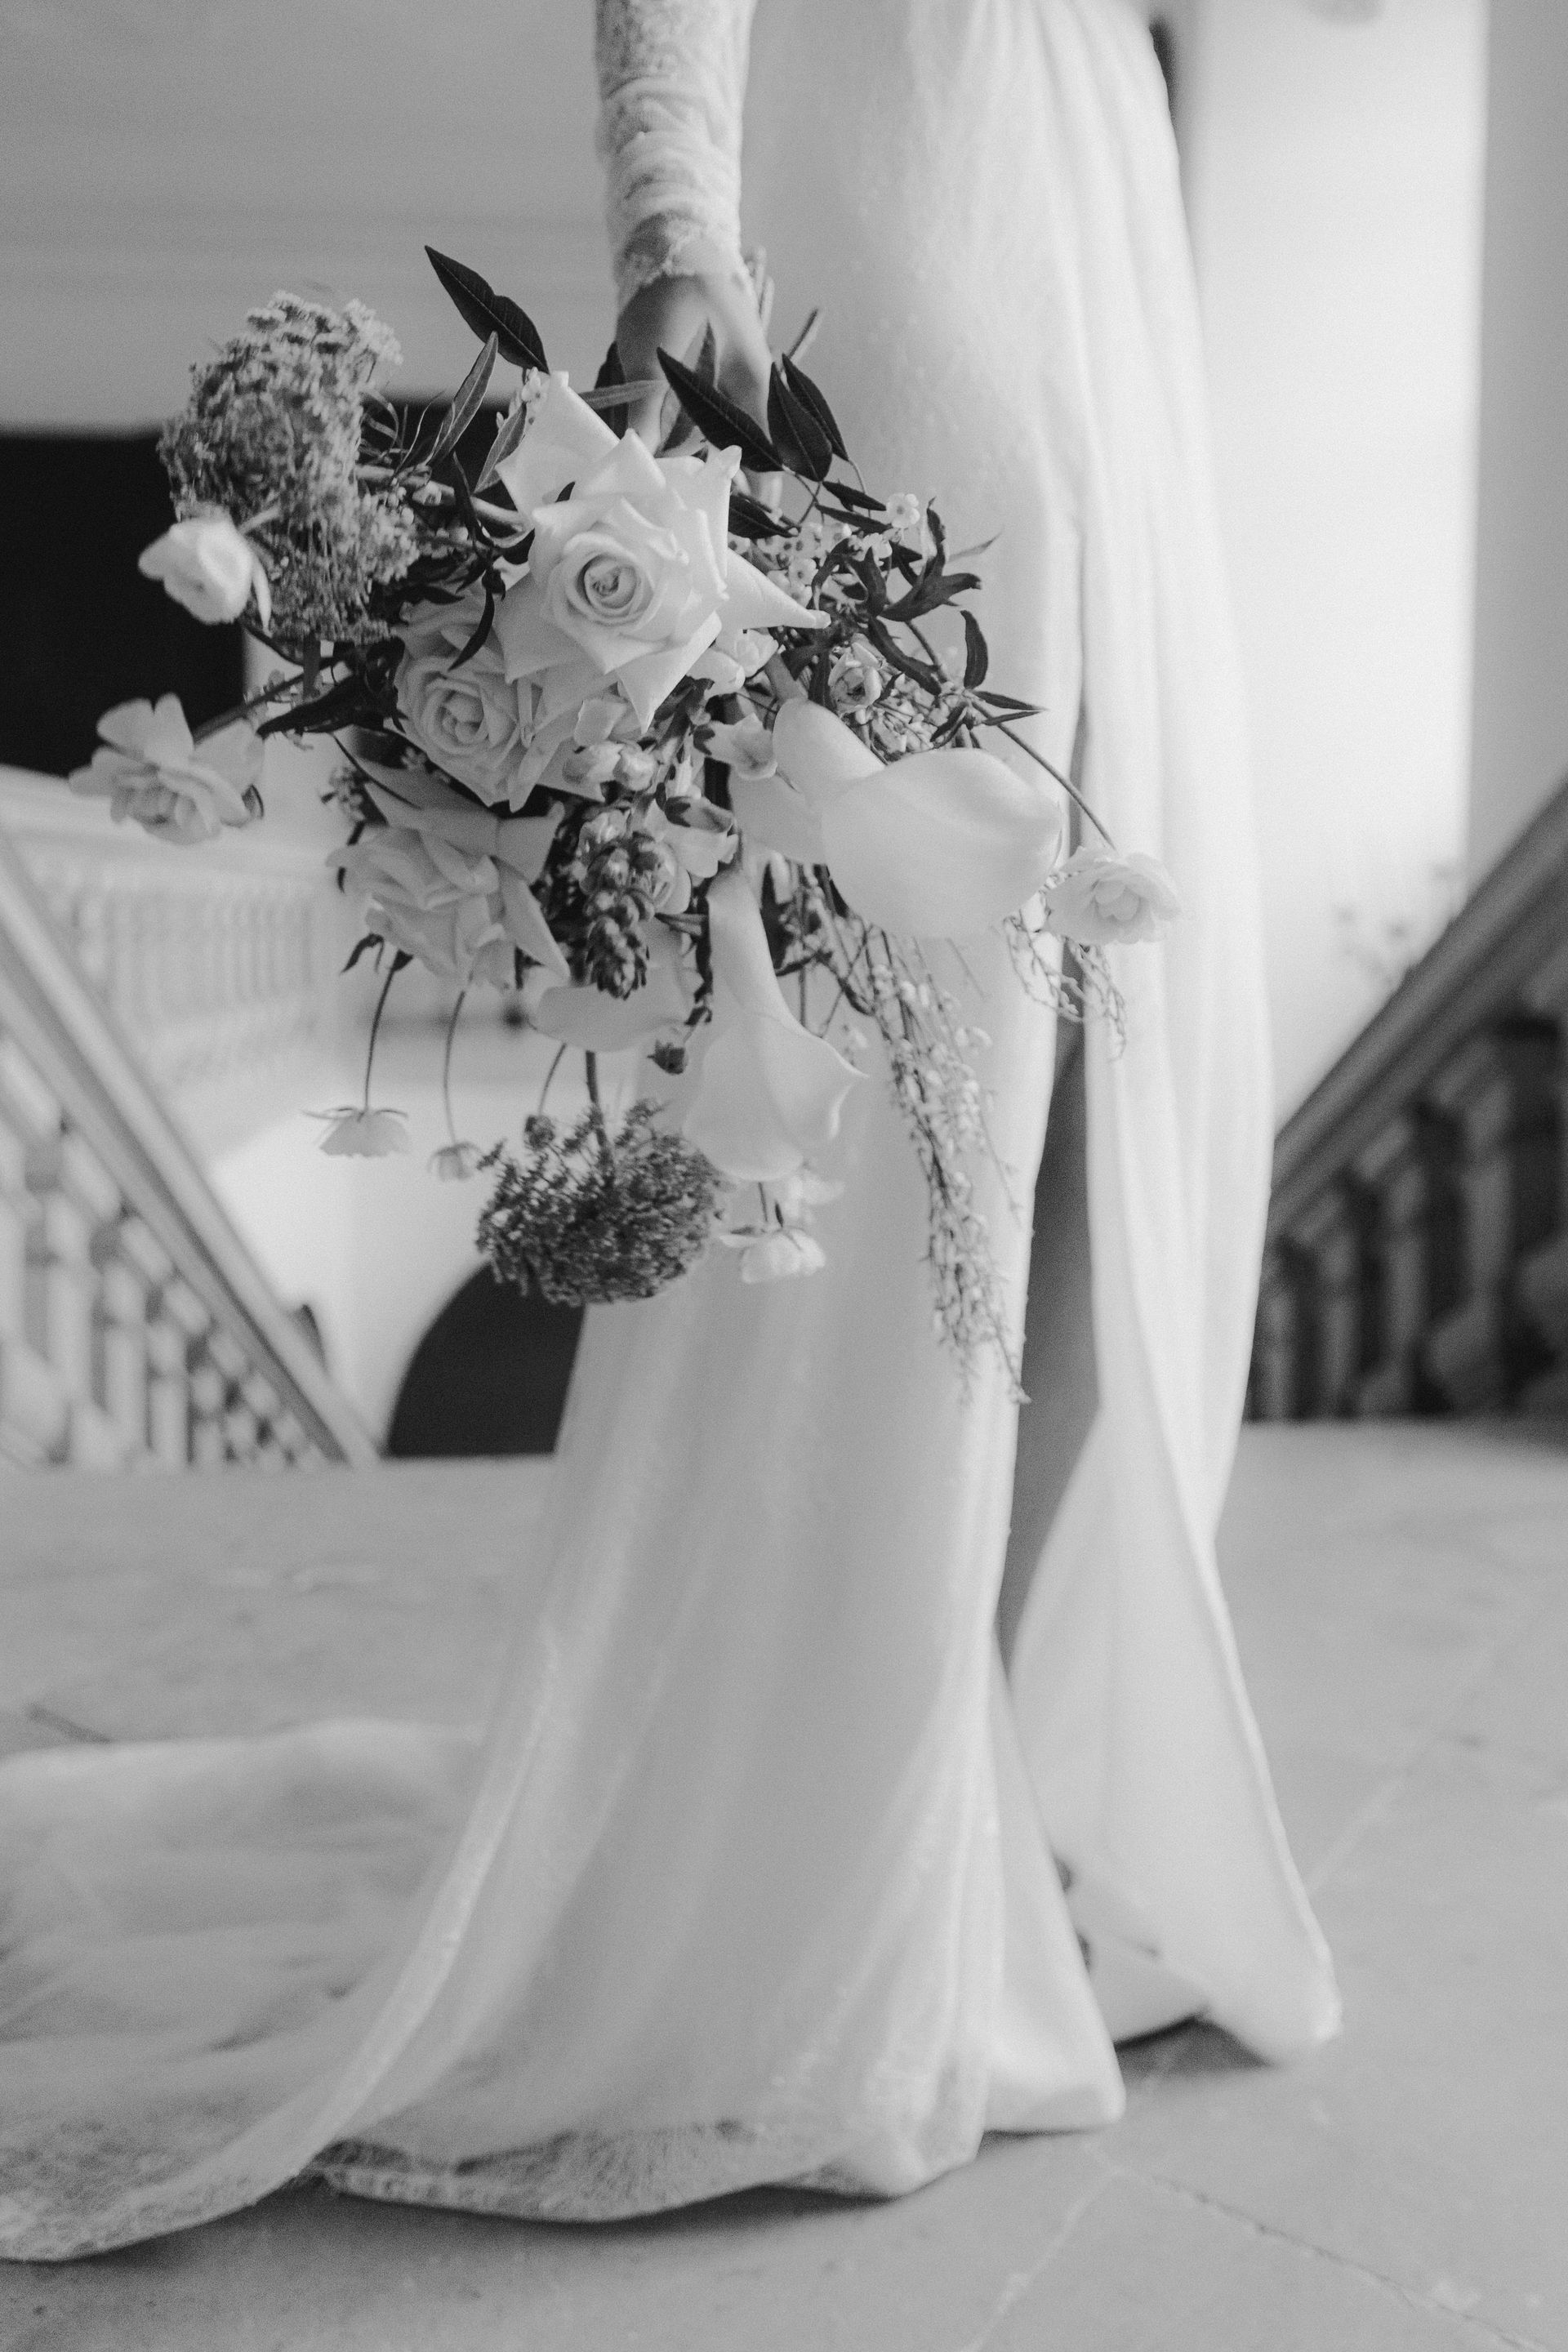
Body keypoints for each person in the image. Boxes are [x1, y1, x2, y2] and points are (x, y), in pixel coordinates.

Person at [0, 0, 1337, 2262]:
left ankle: (970, 1801)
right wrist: (677, 222)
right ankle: (831, 1874)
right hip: (918, 177)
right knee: (933, 1046)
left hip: (1092, 192)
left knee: (1117, 1075)